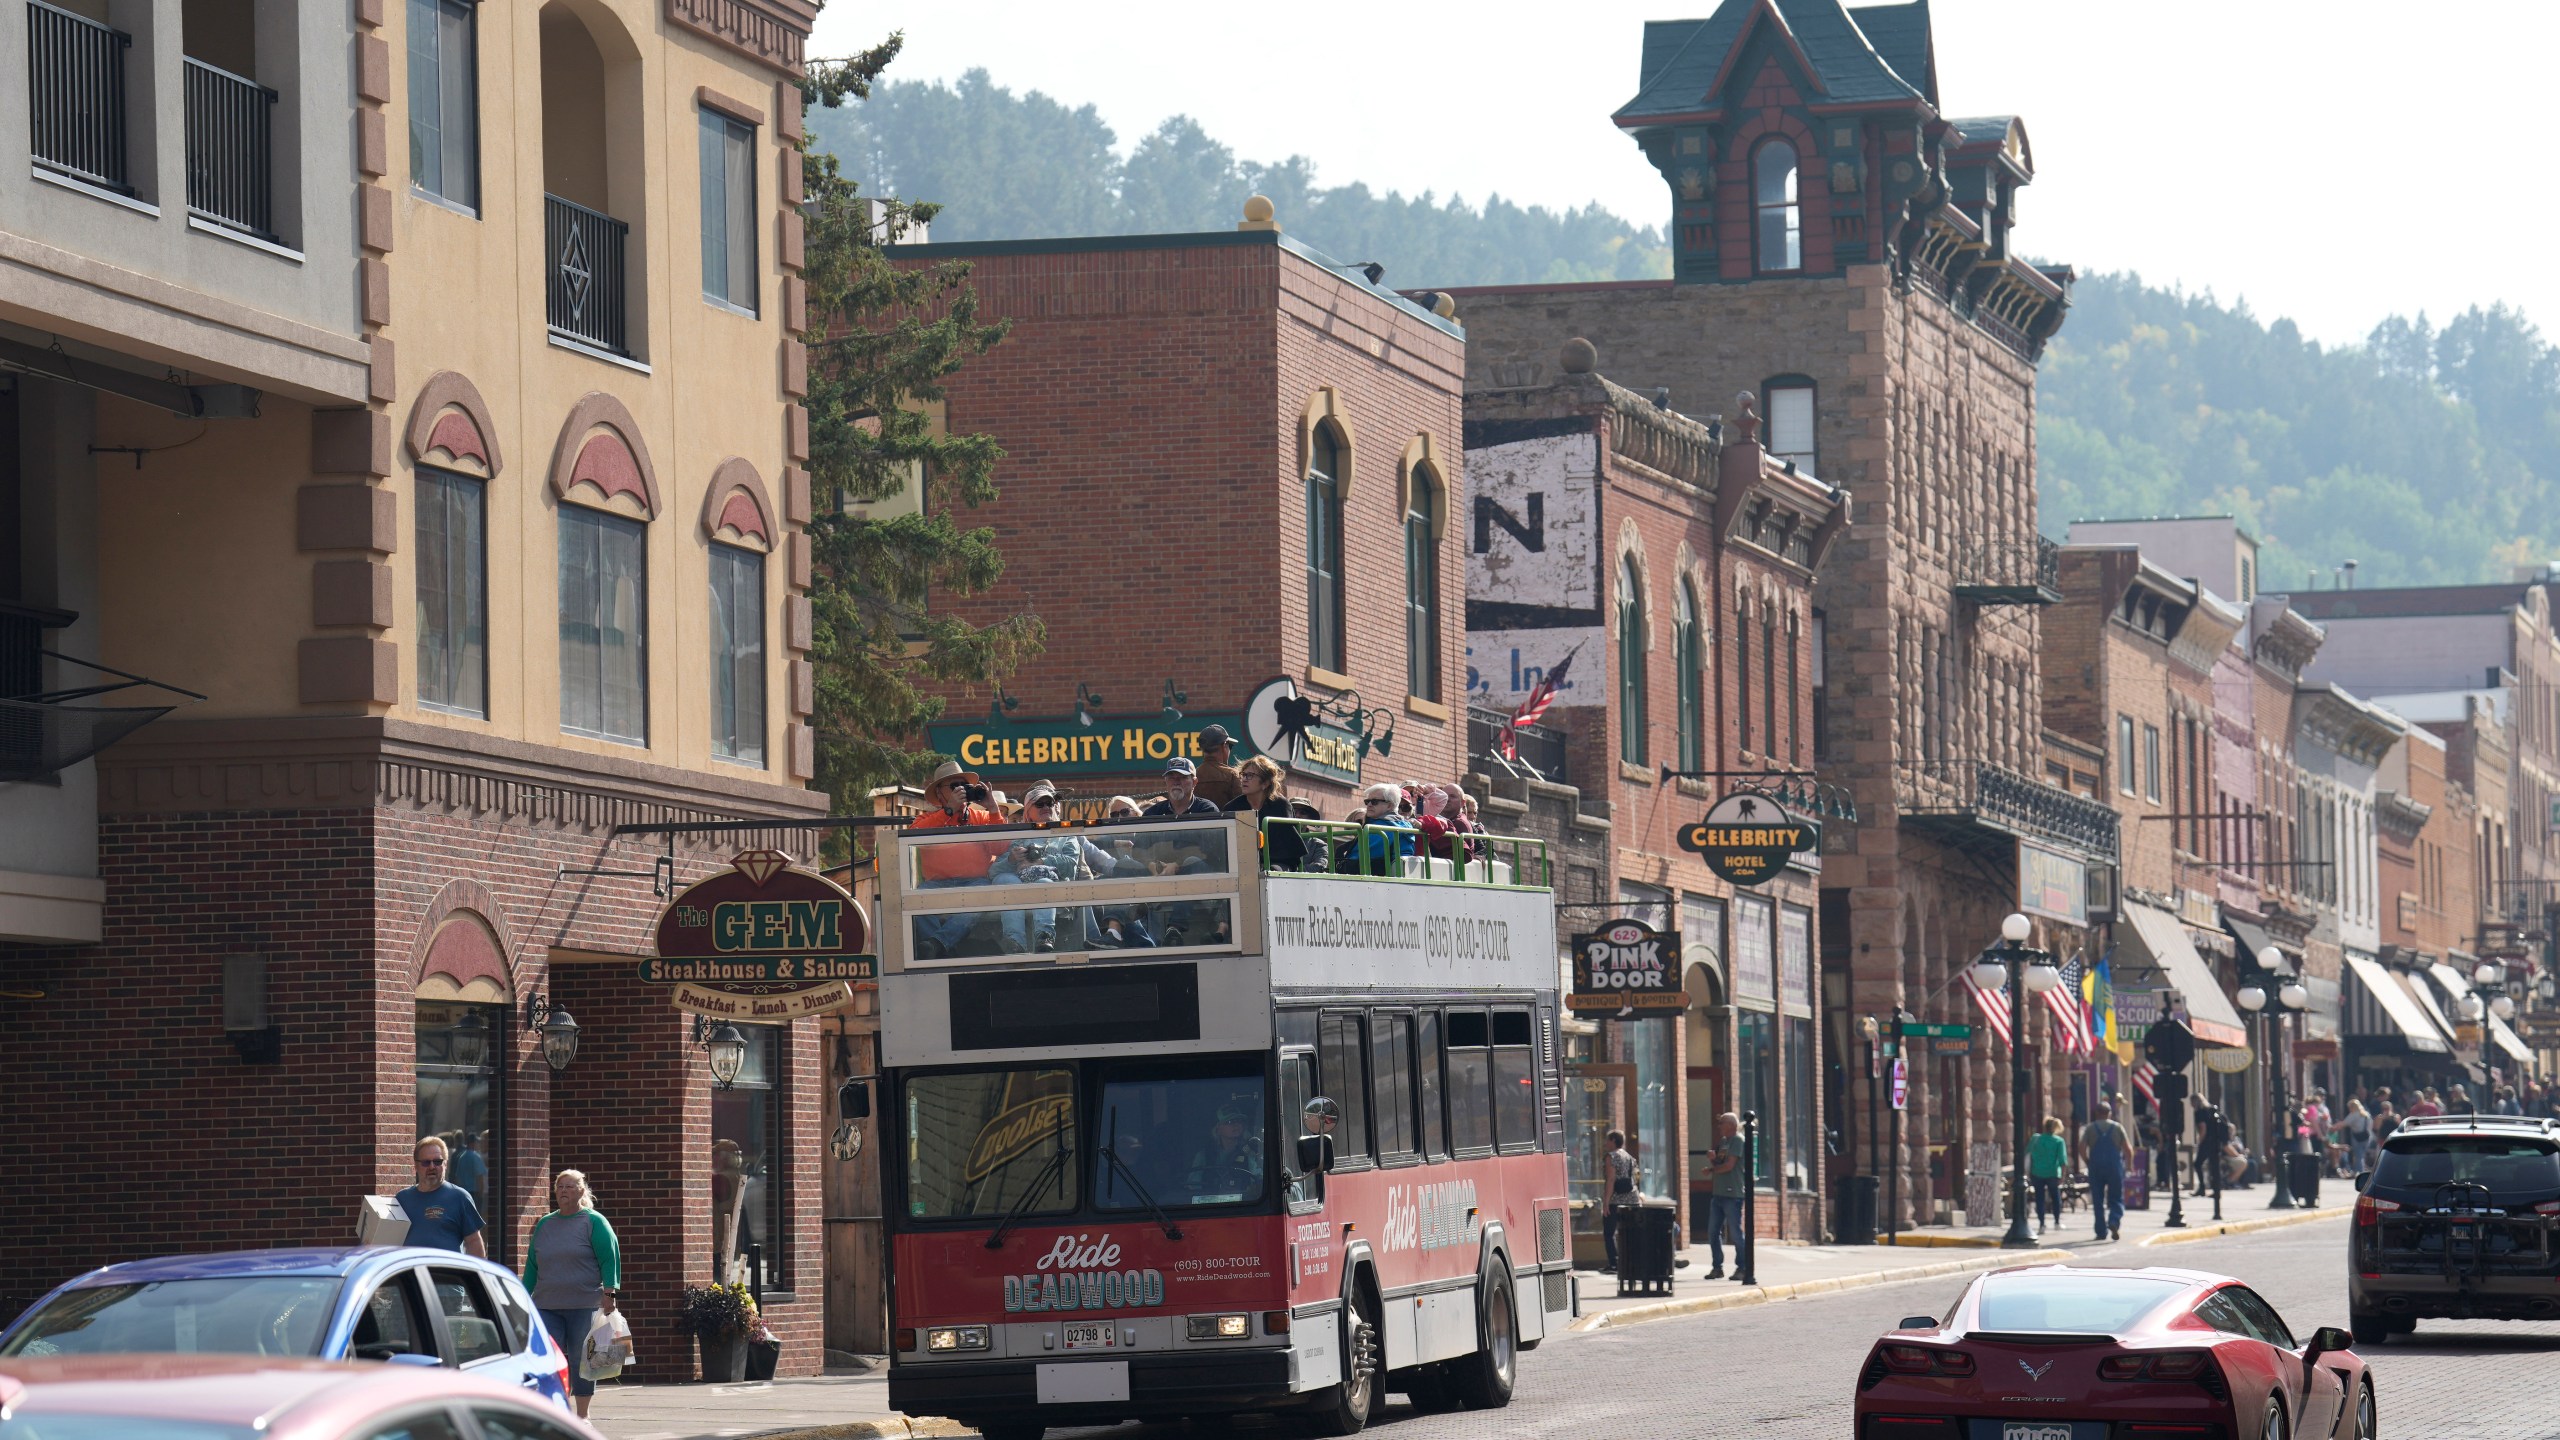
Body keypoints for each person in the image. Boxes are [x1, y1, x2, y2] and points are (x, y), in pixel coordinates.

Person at [524, 1168, 622, 1419]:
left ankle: (582, 1416)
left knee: (584, 1360)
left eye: (569, 1186)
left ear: (581, 1190)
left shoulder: (594, 1222)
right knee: (547, 1359)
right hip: (547, 1304)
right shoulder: (546, 1223)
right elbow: (532, 1265)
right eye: (560, 1187)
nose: (563, 1191)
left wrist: (610, 1293)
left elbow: (609, 1258)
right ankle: (554, 1413)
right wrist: (523, 1297)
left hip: (584, 1304)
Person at [992, 781, 1116, 952]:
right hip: (1019, 890)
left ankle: (1044, 937)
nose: (1046, 807)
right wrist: (1011, 860)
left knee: (1043, 882)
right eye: (1039, 804)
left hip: (1055, 890)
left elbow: (1071, 864)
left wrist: (1041, 862)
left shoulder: (1066, 834)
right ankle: (1015, 942)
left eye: (1050, 803)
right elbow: (992, 872)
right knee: (1005, 878)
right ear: (1028, 810)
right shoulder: (1017, 836)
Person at [909, 760, 1004, 959]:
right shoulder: (927, 820)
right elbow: (914, 836)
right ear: (939, 794)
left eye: (964, 785)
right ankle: (943, 951)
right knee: (917, 900)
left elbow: (1001, 848)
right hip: (936, 885)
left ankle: (936, 945)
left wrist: (993, 809)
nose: (961, 790)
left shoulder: (981, 817)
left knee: (979, 897)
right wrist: (949, 811)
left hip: (975, 883)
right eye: (954, 786)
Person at [398, 1136, 487, 1255]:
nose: (431, 1167)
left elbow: (473, 1241)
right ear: (415, 1166)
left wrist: (475, 1273)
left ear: (445, 1164)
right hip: (411, 1272)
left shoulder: (460, 1197)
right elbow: (389, 1239)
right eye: (426, 1162)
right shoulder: (402, 1199)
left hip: (447, 1272)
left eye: (437, 1162)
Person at [1227, 755, 1307, 871]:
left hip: (1278, 861)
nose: (1244, 779)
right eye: (1243, 775)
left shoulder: (1281, 806)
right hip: (1242, 862)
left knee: (1271, 871)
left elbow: (1287, 846)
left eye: (1250, 776)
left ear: (1265, 783)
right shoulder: (1232, 807)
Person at [1185, 1101, 1265, 1198]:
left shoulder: (1251, 1152)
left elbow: (1260, 1181)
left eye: (1239, 1121)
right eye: (1229, 1122)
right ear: (1218, 1128)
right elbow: (1193, 1187)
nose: (1236, 1125)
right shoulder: (1204, 1155)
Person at [2079, 1102, 2132, 1241]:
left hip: (2096, 1166)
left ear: (2096, 1113)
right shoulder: (2117, 1127)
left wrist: (2087, 1161)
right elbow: (2128, 1149)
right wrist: (2129, 1166)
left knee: (2098, 1200)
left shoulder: (2090, 1128)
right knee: (2116, 1197)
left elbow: (2082, 1147)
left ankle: (2101, 1231)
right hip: (2114, 1166)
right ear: (2109, 1113)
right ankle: (2114, 1221)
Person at [1703, 1114, 1747, 1279]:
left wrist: (1713, 1169)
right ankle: (1717, 1267)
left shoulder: (1737, 1140)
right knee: (1713, 1232)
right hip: (1718, 1192)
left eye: (1721, 1123)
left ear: (1730, 1125)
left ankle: (1742, 1268)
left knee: (1735, 1232)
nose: (1719, 1126)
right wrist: (1713, 1161)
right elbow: (1721, 1163)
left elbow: (1729, 1166)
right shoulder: (1723, 1142)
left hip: (1732, 1193)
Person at [1342, 782, 1417, 876]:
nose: (1369, 805)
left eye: (1374, 802)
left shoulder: (1381, 828)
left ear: (1389, 805)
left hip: (1373, 879)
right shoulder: (1404, 825)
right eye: (1367, 801)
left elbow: (1354, 861)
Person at [1600, 1130, 1638, 1272]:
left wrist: (1606, 1202)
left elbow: (1611, 1180)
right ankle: (1629, 1262)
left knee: (1609, 1233)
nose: (1605, 1143)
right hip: (1632, 1199)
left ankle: (1614, 1263)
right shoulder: (1629, 1157)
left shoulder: (1611, 1157)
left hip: (1616, 1200)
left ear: (1614, 1140)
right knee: (1628, 1233)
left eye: (1608, 1140)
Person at [2028, 1117, 2068, 1236]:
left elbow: (2027, 1152)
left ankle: (2042, 1225)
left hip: (2037, 1172)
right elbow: (2062, 1161)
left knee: (2039, 1198)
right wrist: (2063, 1176)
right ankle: (2056, 1222)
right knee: (2055, 1198)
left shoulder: (2036, 1138)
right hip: (2052, 1173)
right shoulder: (2058, 1141)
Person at [1193, 725, 1244, 808]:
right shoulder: (1232, 775)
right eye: (1230, 746)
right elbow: (1243, 809)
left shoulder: (1192, 776)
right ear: (1224, 746)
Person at [2340, 1098, 2374, 1175]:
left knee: (2358, 1155)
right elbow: (2371, 1125)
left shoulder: (2354, 1115)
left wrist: (2333, 1128)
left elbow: (2344, 1124)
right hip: (2367, 1136)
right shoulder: (2366, 1114)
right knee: (2362, 1155)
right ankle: (2359, 1170)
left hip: (2357, 1137)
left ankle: (2359, 1172)